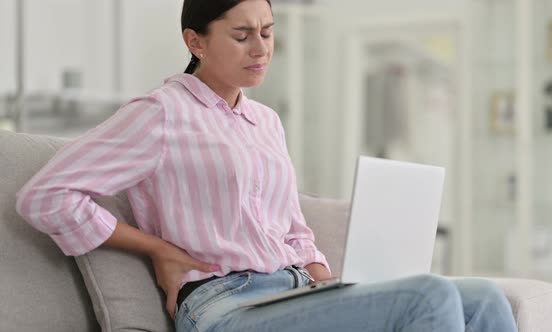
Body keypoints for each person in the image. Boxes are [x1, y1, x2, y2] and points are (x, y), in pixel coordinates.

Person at [16, 0, 518, 331]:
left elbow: (294, 230)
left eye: (267, 32)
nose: (261, 49)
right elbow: (46, 197)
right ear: (196, 41)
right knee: (428, 296)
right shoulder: (160, 113)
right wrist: (157, 248)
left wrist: (332, 280)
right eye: (241, 36)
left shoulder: (266, 121)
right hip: (226, 306)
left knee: (485, 299)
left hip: (294, 292)